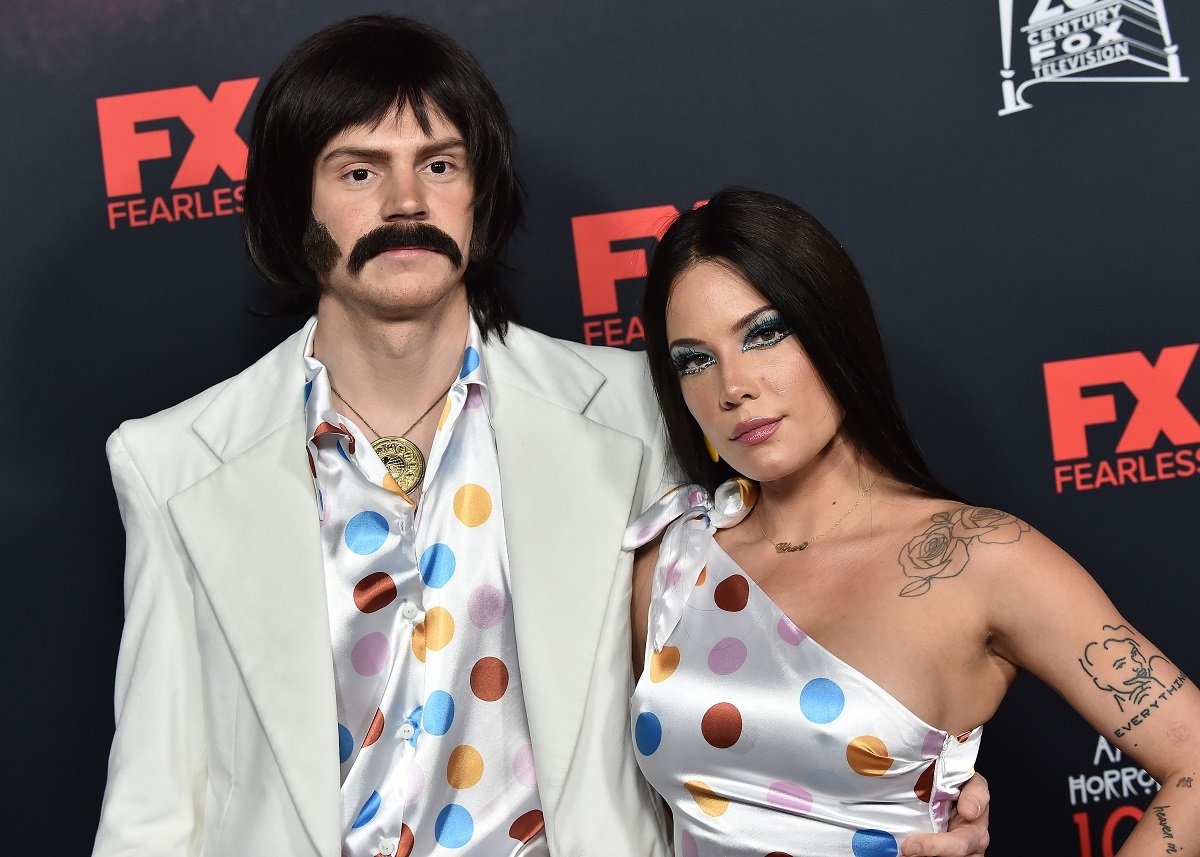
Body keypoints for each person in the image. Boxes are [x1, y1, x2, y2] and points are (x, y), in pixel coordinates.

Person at [92, 16, 991, 857]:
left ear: (481, 194)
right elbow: (154, 802)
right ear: (296, 207)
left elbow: (783, 618)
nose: (407, 201)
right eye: (359, 171)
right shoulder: (173, 462)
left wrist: (890, 793)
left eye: (440, 165)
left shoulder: (641, 409)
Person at [628, 187, 1200, 856]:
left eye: (764, 332)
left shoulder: (982, 556)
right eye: (694, 359)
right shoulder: (669, 565)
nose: (732, 385)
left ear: (831, 325)